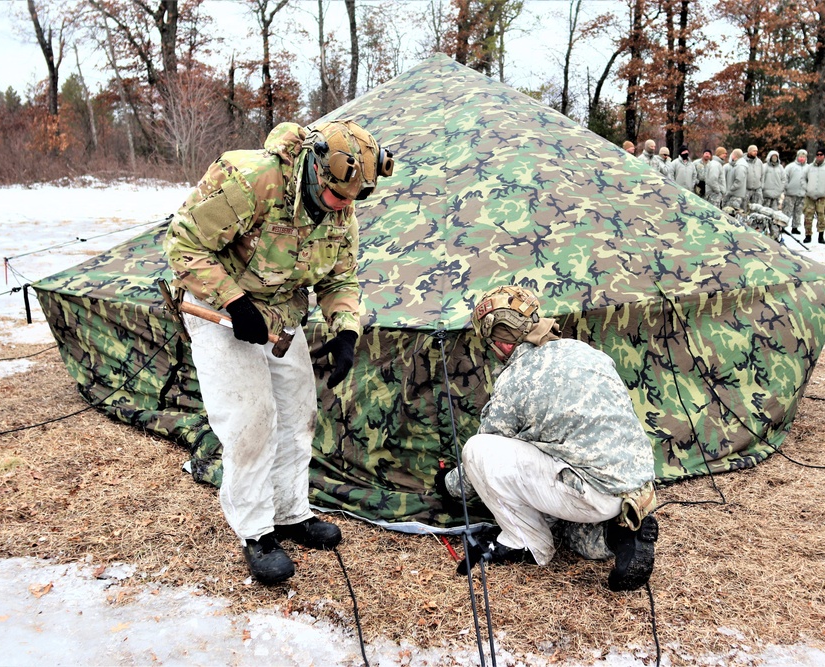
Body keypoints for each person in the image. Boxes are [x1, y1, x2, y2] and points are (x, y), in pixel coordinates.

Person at [164, 119, 394, 585]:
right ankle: (255, 531)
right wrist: (233, 301)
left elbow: (340, 278)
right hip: (218, 305)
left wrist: (346, 331)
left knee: (298, 413)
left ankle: (291, 512)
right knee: (252, 418)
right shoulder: (251, 180)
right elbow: (183, 245)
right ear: (314, 170)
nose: (344, 207)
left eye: (354, 200)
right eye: (337, 196)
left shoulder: (341, 209)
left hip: (280, 313)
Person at [436, 286, 658, 592]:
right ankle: (619, 534)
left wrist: (447, 486)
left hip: (588, 490)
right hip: (632, 486)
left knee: (476, 449)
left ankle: (523, 544)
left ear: (500, 340)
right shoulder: (585, 351)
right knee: (570, 533)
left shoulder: (515, 380)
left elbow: (483, 457)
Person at [801, 148, 825, 244]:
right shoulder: (809, 167)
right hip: (810, 196)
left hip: (822, 196)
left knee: (821, 216)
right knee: (808, 216)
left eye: (821, 154)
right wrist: (806, 188)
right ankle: (808, 235)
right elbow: (803, 179)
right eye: (817, 154)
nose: (819, 156)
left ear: (824, 156)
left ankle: (821, 236)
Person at [783, 149, 808, 234]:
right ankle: (783, 226)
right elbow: (785, 178)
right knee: (787, 211)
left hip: (802, 194)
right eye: (800, 157)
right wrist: (786, 187)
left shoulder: (808, 168)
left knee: (798, 212)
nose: (802, 159)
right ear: (797, 157)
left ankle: (795, 227)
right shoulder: (790, 167)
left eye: (803, 157)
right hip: (790, 193)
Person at [724, 148, 748, 214]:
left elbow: (739, 181)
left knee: (731, 214)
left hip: (736, 196)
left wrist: (730, 189)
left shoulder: (740, 166)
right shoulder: (737, 165)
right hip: (734, 195)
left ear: (734, 155)